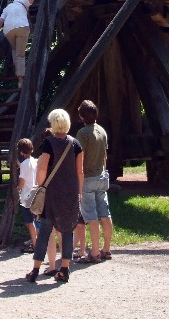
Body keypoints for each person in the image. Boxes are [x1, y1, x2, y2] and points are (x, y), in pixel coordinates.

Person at [25, 108, 83, 284]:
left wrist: (40, 185)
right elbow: (79, 171)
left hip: (52, 192)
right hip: (70, 192)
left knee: (45, 231)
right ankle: (64, 269)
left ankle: (35, 270)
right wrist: (79, 192)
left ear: (53, 123)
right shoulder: (76, 144)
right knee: (67, 230)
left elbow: (42, 168)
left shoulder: (49, 143)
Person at [75, 99, 113, 263]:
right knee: (105, 213)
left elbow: (79, 157)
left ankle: (95, 252)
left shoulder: (82, 134)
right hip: (101, 175)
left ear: (81, 116)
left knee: (91, 216)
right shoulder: (102, 131)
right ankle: (106, 249)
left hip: (88, 177)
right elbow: (105, 154)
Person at [0, 0, 47, 89]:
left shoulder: (6, 9)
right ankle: (21, 79)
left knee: (15, 50)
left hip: (8, 30)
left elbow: (0, 23)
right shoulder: (22, 2)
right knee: (20, 55)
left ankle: (18, 72)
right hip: (22, 27)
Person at [16, 138, 37, 253]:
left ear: (21, 151)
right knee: (35, 219)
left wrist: (18, 188)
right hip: (35, 193)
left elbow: (22, 181)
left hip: (26, 195)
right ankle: (37, 242)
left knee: (29, 222)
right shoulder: (34, 161)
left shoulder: (24, 164)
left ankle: (35, 244)